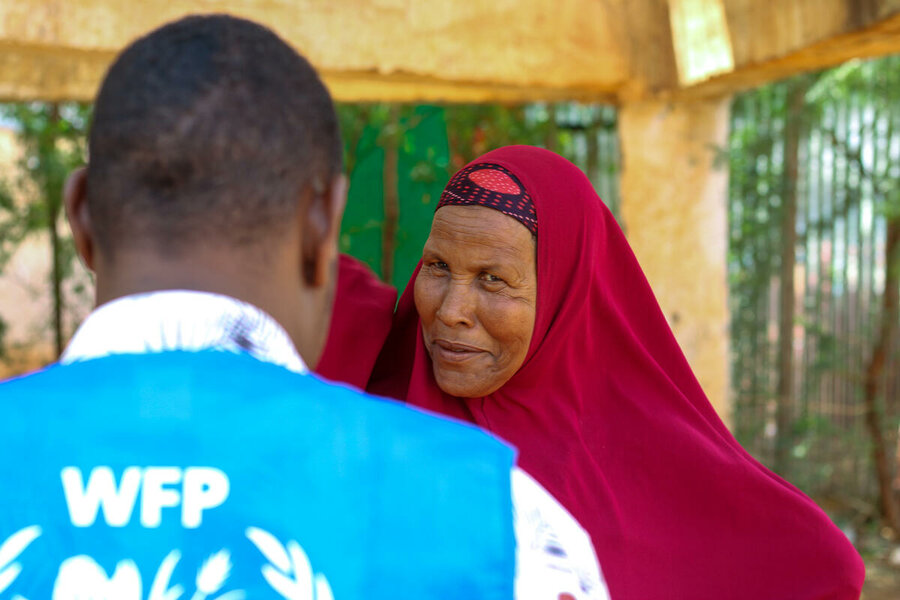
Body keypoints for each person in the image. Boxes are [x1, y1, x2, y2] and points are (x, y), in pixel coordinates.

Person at [0, 17, 609, 599]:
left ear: (79, 215)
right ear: (324, 226)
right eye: (440, 270)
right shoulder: (503, 528)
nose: (453, 310)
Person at [318, 145, 866, 599]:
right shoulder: (367, 418)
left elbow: (816, 565)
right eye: (438, 266)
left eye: (492, 279)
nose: (452, 308)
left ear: (565, 295)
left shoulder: (656, 463)